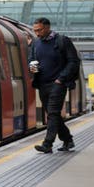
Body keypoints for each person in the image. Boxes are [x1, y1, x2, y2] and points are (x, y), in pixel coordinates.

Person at [28, 17, 80, 153]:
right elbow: (31, 59)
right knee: (53, 114)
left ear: (47, 27)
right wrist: (32, 67)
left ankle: (48, 144)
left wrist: (61, 78)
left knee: (52, 113)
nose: (37, 33)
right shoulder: (35, 43)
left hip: (58, 84)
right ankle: (68, 139)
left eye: (39, 30)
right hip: (42, 84)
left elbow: (73, 61)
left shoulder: (62, 41)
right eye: (35, 31)